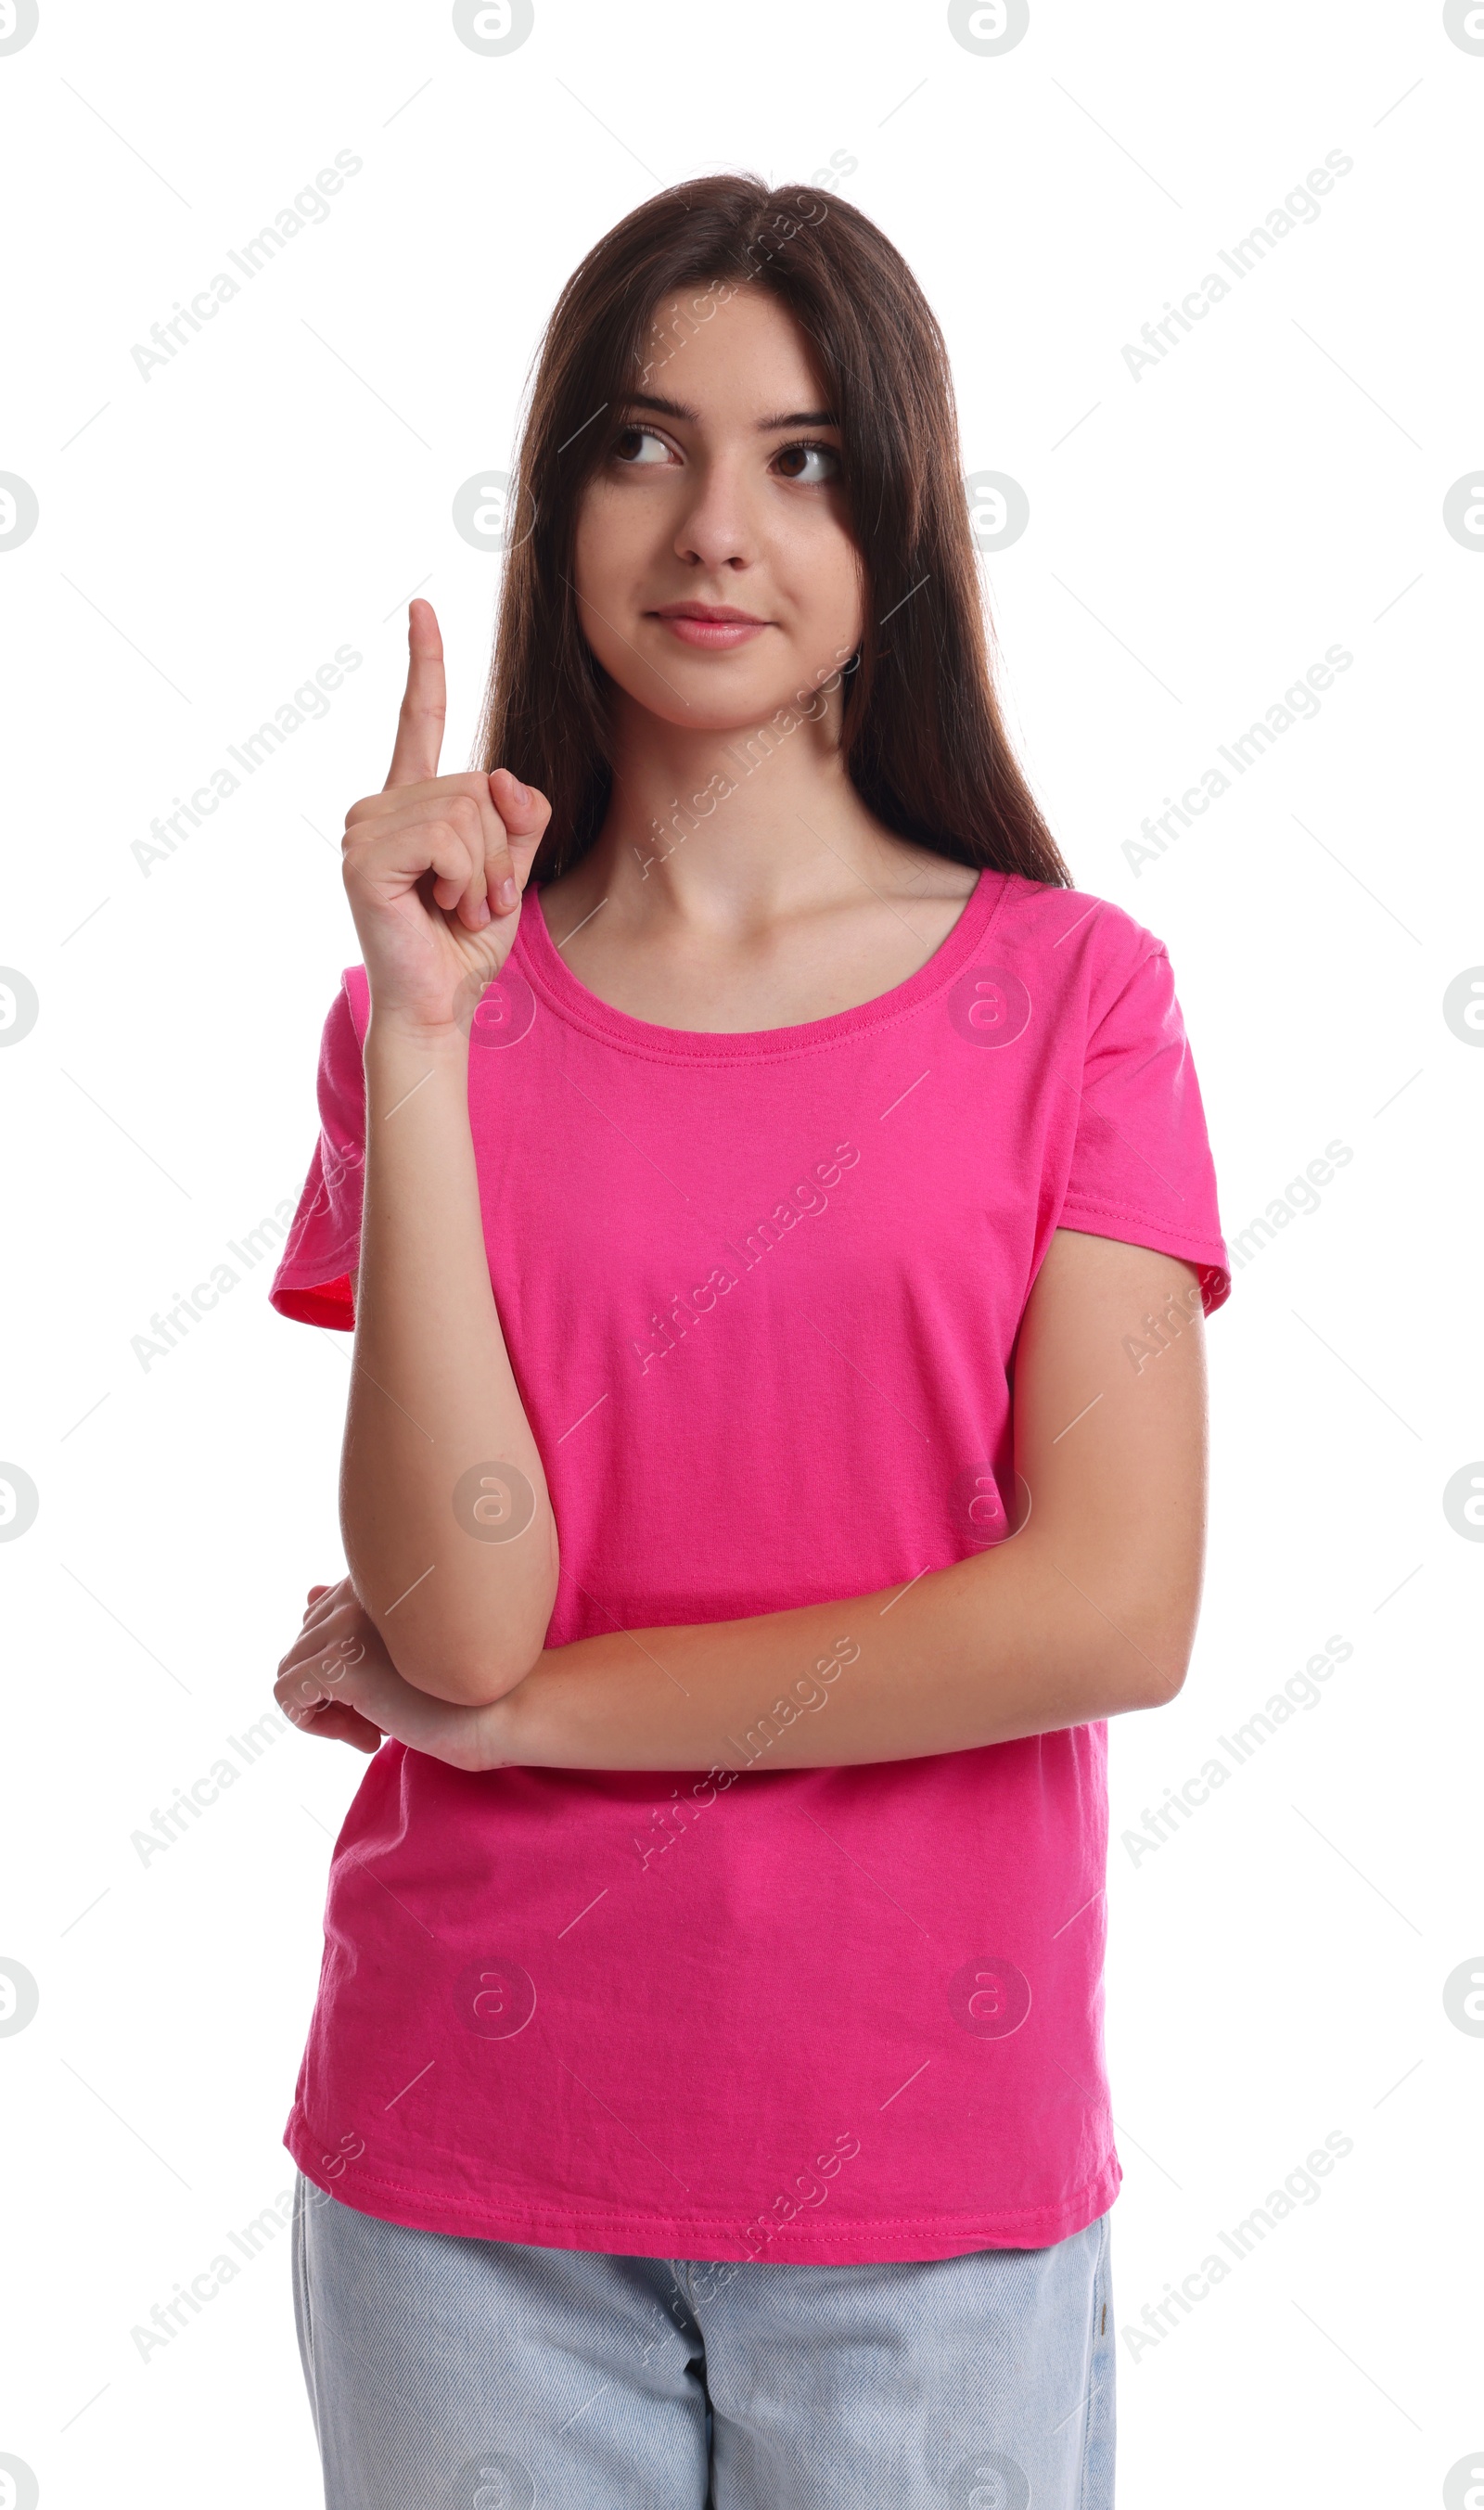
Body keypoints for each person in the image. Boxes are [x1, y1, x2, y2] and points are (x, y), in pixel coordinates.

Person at [268, 173, 1229, 2510]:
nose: (715, 528)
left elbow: (1106, 1610)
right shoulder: (431, 1015)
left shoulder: (1069, 996)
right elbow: (460, 1603)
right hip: (464, 2177)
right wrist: (418, 1039)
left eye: (800, 458)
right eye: (641, 443)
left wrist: (515, 1724)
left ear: (891, 514)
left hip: (922, 2183)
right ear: (560, 497)